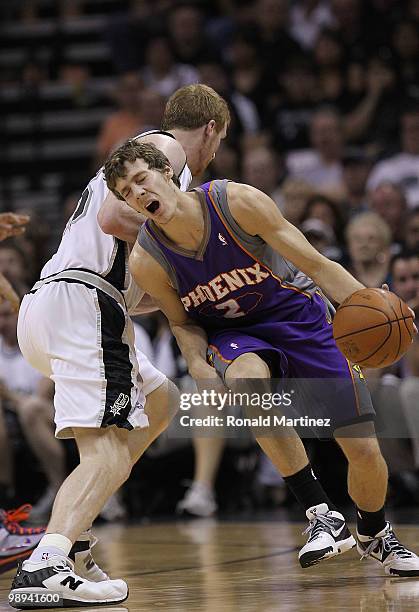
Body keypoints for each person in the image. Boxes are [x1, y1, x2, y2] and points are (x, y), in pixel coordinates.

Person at [105, 140, 419, 577]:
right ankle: (320, 514)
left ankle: (375, 533)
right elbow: (182, 322)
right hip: (235, 334)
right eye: (126, 192)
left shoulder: (237, 202)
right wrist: (197, 364)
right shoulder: (147, 260)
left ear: (166, 172)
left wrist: (367, 302)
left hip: (300, 316)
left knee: (363, 450)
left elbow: (313, 261)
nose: (137, 195)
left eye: (141, 180)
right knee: (249, 385)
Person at [8, 84, 230, 607]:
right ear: (211, 130)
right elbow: (115, 220)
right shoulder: (165, 151)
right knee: (105, 451)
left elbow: (138, 271)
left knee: (161, 401)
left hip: (62, 303)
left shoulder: (145, 161)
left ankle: (75, 534)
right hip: (85, 302)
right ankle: (48, 561)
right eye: (217, 142)